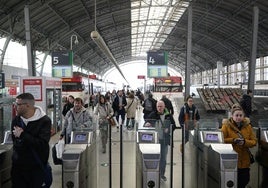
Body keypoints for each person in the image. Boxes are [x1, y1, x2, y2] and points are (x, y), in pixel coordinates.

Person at [11, 93, 52, 188]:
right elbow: (15, 142)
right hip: (18, 168)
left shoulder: (44, 121)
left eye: (18, 104)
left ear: (27, 105)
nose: (15, 107)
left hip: (36, 167)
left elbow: (42, 144)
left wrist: (23, 135)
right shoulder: (16, 120)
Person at [221, 104, 257, 188]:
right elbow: (222, 140)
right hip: (231, 161)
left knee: (244, 181)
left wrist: (245, 142)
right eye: (236, 115)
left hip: (244, 161)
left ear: (243, 116)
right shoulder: (226, 126)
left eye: (240, 115)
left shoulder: (248, 127)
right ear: (232, 116)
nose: (238, 117)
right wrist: (233, 140)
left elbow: (254, 141)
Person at [146, 100, 176, 182]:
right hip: (155, 141)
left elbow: (174, 125)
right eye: (158, 106)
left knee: (163, 158)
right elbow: (146, 123)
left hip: (164, 140)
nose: (159, 108)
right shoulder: (153, 114)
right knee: (154, 157)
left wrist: (169, 129)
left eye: (161, 106)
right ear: (156, 107)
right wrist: (147, 124)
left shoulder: (168, 115)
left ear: (164, 107)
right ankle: (154, 173)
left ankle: (162, 174)